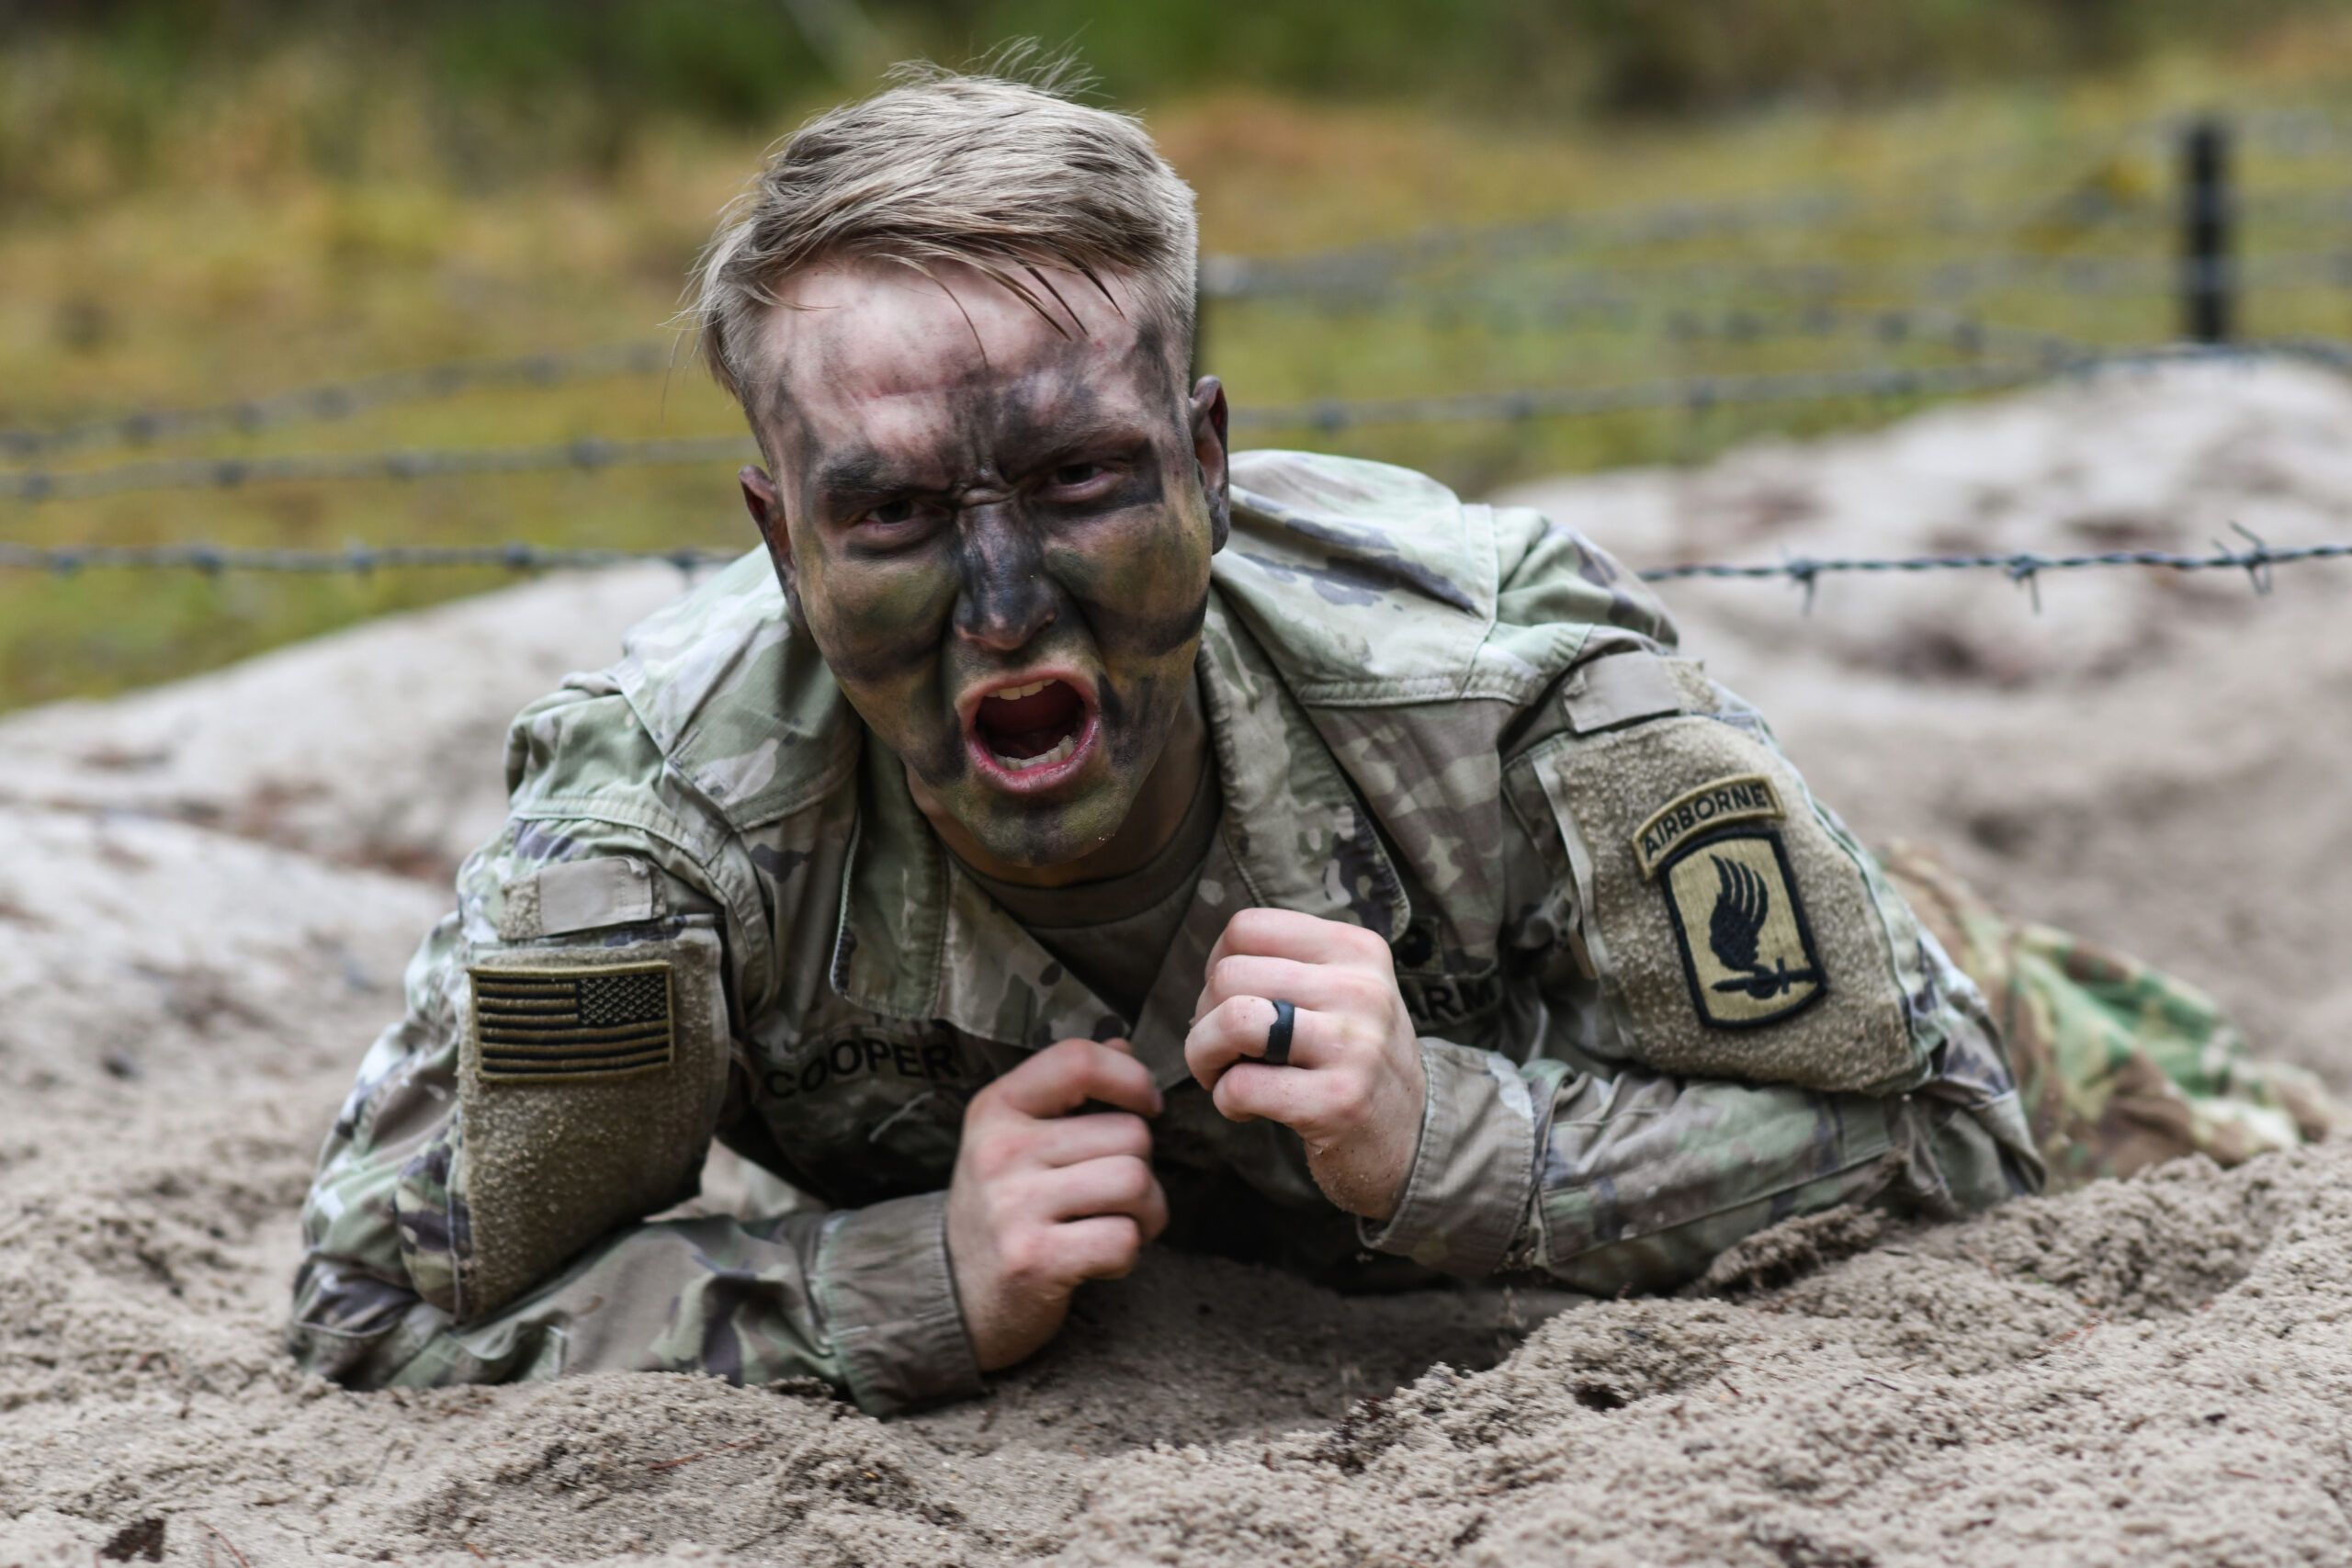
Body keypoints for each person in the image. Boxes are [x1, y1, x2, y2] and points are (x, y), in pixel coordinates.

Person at [287, 62, 2329, 1415]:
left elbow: (1939, 1128)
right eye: (894, 512)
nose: (1003, 606)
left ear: (1205, 461)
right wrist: (890, 1280)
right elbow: (383, 1308)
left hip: (1760, 1013)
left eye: (1079, 480)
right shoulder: (652, 840)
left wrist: (1448, 1137)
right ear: (778, 534)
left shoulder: (1513, 690)